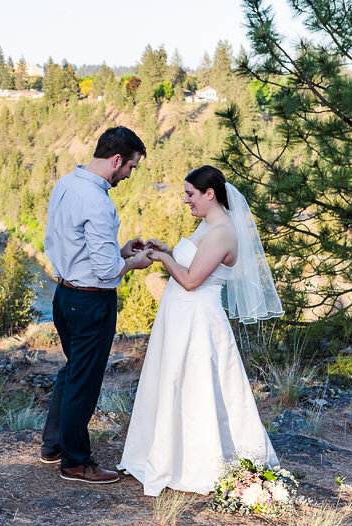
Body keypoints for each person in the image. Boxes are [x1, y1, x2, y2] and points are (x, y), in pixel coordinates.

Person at [118, 165, 284, 496]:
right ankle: (166, 453)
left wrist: (162, 260)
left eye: (191, 194)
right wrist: (165, 250)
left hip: (197, 320)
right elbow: (192, 265)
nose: (186, 201)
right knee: (173, 383)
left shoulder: (223, 231)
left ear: (210, 194)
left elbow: (192, 280)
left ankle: (194, 463)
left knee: (196, 386)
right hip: (180, 317)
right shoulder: (208, 225)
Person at [41, 126, 153, 484]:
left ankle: (54, 444)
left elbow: (69, 243)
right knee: (84, 381)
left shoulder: (66, 185)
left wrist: (120, 251)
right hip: (91, 301)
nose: (128, 175)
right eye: (131, 168)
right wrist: (133, 263)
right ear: (117, 160)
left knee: (72, 371)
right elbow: (106, 271)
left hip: (64, 295)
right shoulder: (99, 201)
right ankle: (76, 462)